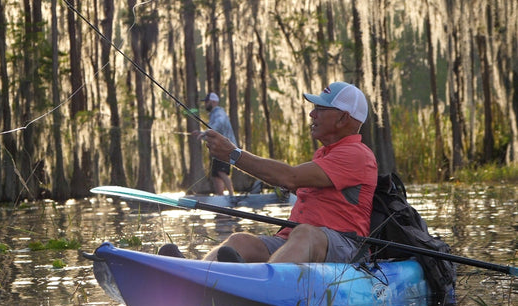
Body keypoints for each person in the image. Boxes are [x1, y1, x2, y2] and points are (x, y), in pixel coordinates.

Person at [160, 82, 377, 263]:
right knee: (239, 240)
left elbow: (289, 177)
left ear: (343, 119)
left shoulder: (356, 154)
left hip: (344, 247)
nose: (312, 114)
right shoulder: (324, 153)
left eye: (320, 109)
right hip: (296, 240)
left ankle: (258, 281)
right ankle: (197, 273)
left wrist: (232, 154)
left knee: (305, 233)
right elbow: (289, 180)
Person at [195, 92, 237, 196]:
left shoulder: (219, 113)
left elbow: (218, 125)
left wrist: (205, 133)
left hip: (226, 148)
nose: (205, 104)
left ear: (213, 102)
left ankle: (232, 196)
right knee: (215, 174)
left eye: (207, 102)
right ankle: (221, 197)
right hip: (219, 149)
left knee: (222, 172)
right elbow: (212, 132)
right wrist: (201, 134)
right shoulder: (213, 114)